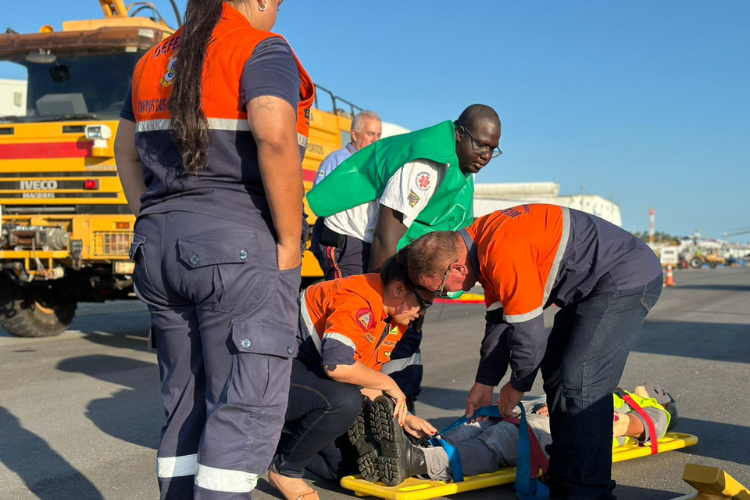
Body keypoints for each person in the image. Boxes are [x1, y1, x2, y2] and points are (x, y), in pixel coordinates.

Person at [114, 1, 314, 499]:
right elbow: (273, 134)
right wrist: (291, 240)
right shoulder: (260, 48)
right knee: (243, 410)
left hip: (159, 246)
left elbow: (124, 148)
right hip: (235, 247)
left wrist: (155, 215)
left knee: (184, 406)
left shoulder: (151, 60)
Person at [402, 204, 664, 500]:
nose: (444, 295)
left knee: (582, 379)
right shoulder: (482, 241)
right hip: (593, 286)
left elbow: (529, 338)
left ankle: (590, 491)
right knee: (555, 369)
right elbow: (501, 322)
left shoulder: (503, 251)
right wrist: (484, 383)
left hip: (626, 276)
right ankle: (566, 475)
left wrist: (517, 387)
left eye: (440, 290)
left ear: (458, 268)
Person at [307, 105, 502, 412]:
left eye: (493, 150)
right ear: (459, 133)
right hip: (352, 237)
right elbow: (387, 236)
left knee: (400, 328)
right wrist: (382, 307)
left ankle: (385, 408)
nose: (485, 156)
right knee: (353, 327)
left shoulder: (461, 171)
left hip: (383, 242)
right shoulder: (426, 164)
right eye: (480, 145)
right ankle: (329, 410)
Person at [268, 257, 435, 500]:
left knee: (346, 467)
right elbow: (337, 366)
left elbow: (363, 380)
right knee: (343, 401)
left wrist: (404, 417)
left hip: (304, 376)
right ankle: (285, 469)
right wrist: (389, 383)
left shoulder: (393, 318)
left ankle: (266, 444)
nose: (421, 313)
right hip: (270, 370)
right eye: (423, 304)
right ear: (399, 289)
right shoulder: (360, 298)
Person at [361, 383, 676, 486]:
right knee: (478, 425)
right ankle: (417, 446)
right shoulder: (607, 385)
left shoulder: (654, 413)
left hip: (556, 432)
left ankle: (415, 462)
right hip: (527, 414)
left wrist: (565, 411)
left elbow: (626, 425)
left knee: (496, 443)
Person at [311, 110, 382, 279]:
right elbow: (319, 203)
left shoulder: (374, 164)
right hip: (341, 242)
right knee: (343, 293)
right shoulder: (337, 161)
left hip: (364, 242)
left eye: (379, 135)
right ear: (355, 135)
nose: (375, 140)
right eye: (370, 133)